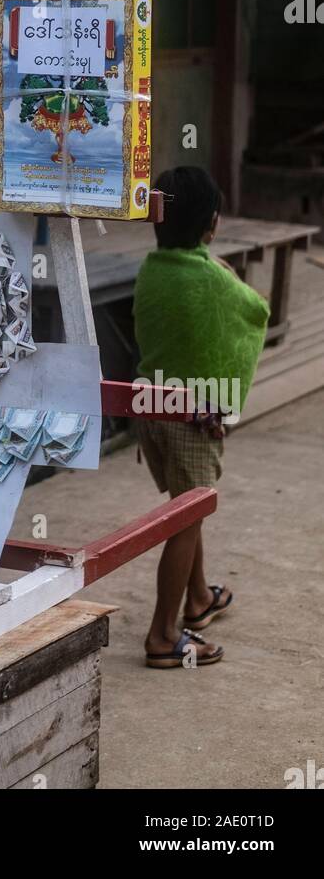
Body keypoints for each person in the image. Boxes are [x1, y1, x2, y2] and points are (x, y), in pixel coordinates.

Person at [134, 166, 270, 669]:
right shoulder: (211, 276)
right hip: (193, 414)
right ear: (211, 225)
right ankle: (163, 636)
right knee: (185, 520)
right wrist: (226, 272)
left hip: (149, 408)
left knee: (186, 508)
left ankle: (197, 601)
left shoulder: (151, 267)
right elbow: (255, 312)